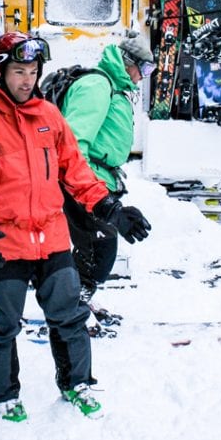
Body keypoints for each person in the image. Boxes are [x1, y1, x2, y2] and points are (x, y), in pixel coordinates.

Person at [0, 31, 151, 423]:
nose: (27, 80)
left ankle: (77, 382)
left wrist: (111, 208)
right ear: (0, 71)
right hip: (3, 240)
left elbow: (76, 172)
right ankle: (3, 394)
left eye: (33, 71)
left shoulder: (49, 117)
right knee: (4, 323)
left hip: (52, 235)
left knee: (69, 314)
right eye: (19, 71)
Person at [60, 33, 155, 303]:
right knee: (98, 249)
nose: (143, 76)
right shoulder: (97, 86)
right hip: (85, 181)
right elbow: (73, 144)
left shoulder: (111, 86)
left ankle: (77, 303)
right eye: (144, 68)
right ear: (128, 62)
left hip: (98, 179)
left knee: (96, 248)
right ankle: (71, 309)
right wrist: (89, 186)